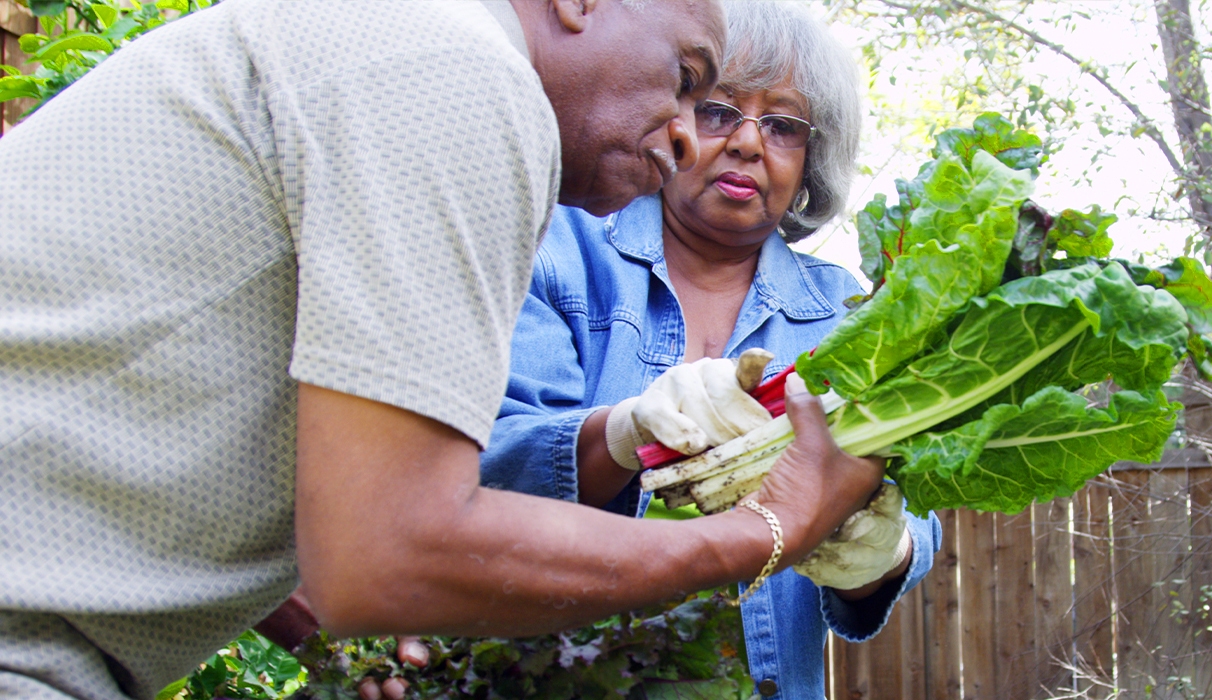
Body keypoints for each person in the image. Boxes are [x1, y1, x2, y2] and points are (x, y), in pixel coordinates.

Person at [0, 1, 888, 699]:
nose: (696, 132)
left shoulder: (403, 46)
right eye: (690, 78)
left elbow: (189, 429)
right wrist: (767, 530)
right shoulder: (462, 72)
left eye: (779, 124)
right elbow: (390, 551)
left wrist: (342, 627)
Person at [479, 3, 941, 697]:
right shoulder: (557, 252)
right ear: (666, 115)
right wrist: (623, 434)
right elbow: (488, 466)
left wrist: (884, 548)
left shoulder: (851, 314)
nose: (750, 144)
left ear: (811, 158)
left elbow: (919, 502)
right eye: (720, 111)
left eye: (784, 125)